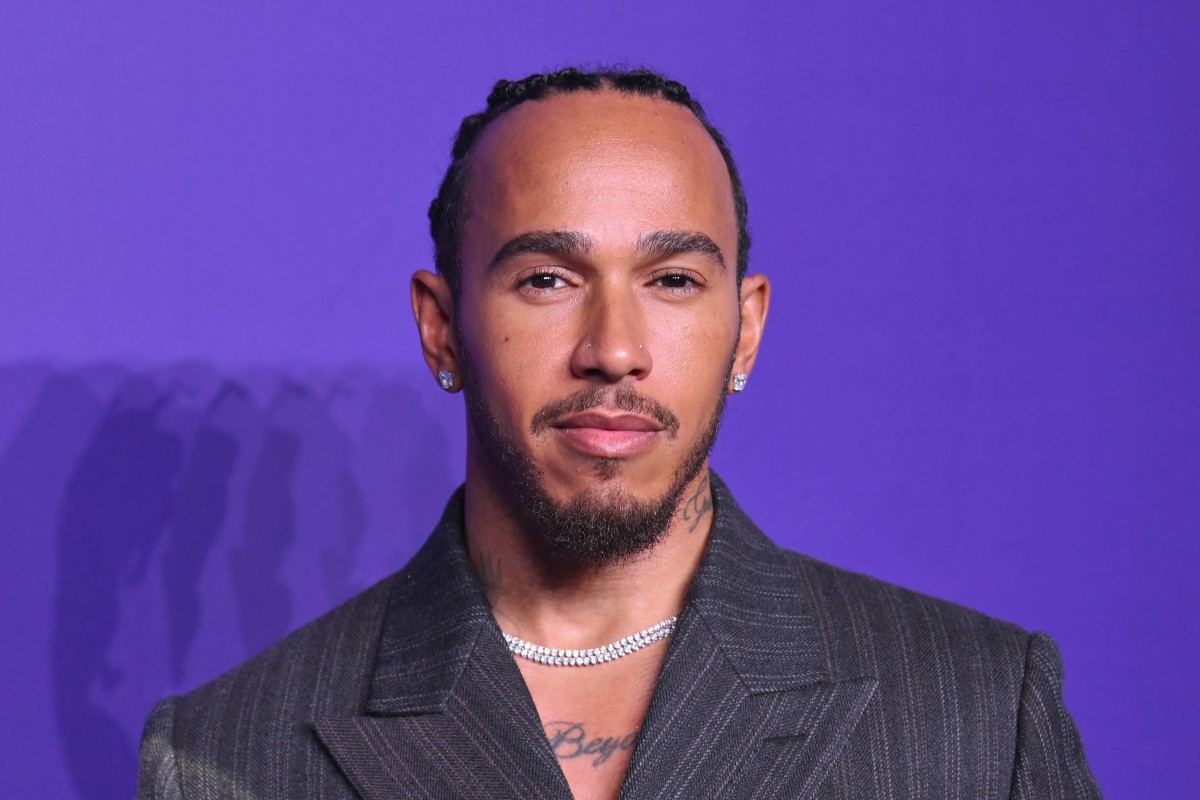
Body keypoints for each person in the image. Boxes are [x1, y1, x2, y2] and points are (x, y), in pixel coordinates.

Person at [138, 67, 1100, 800]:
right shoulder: (224, 753)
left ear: (746, 328)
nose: (614, 350)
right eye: (548, 279)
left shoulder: (977, 711)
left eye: (673, 280)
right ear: (442, 327)